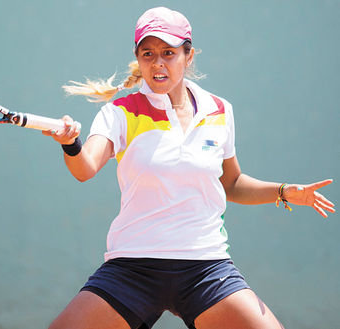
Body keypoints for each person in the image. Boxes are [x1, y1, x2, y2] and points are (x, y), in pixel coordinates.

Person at [43, 6, 335, 329]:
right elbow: (85, 168)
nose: (157, 63)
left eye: (168, 53)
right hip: (133, 266)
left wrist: (283, 192)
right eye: (148, 53)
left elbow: (232, 183)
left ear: (189, 55)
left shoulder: (220, 111)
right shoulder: (120, 112)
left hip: (205, 267)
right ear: (138, 58)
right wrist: (71, 143)